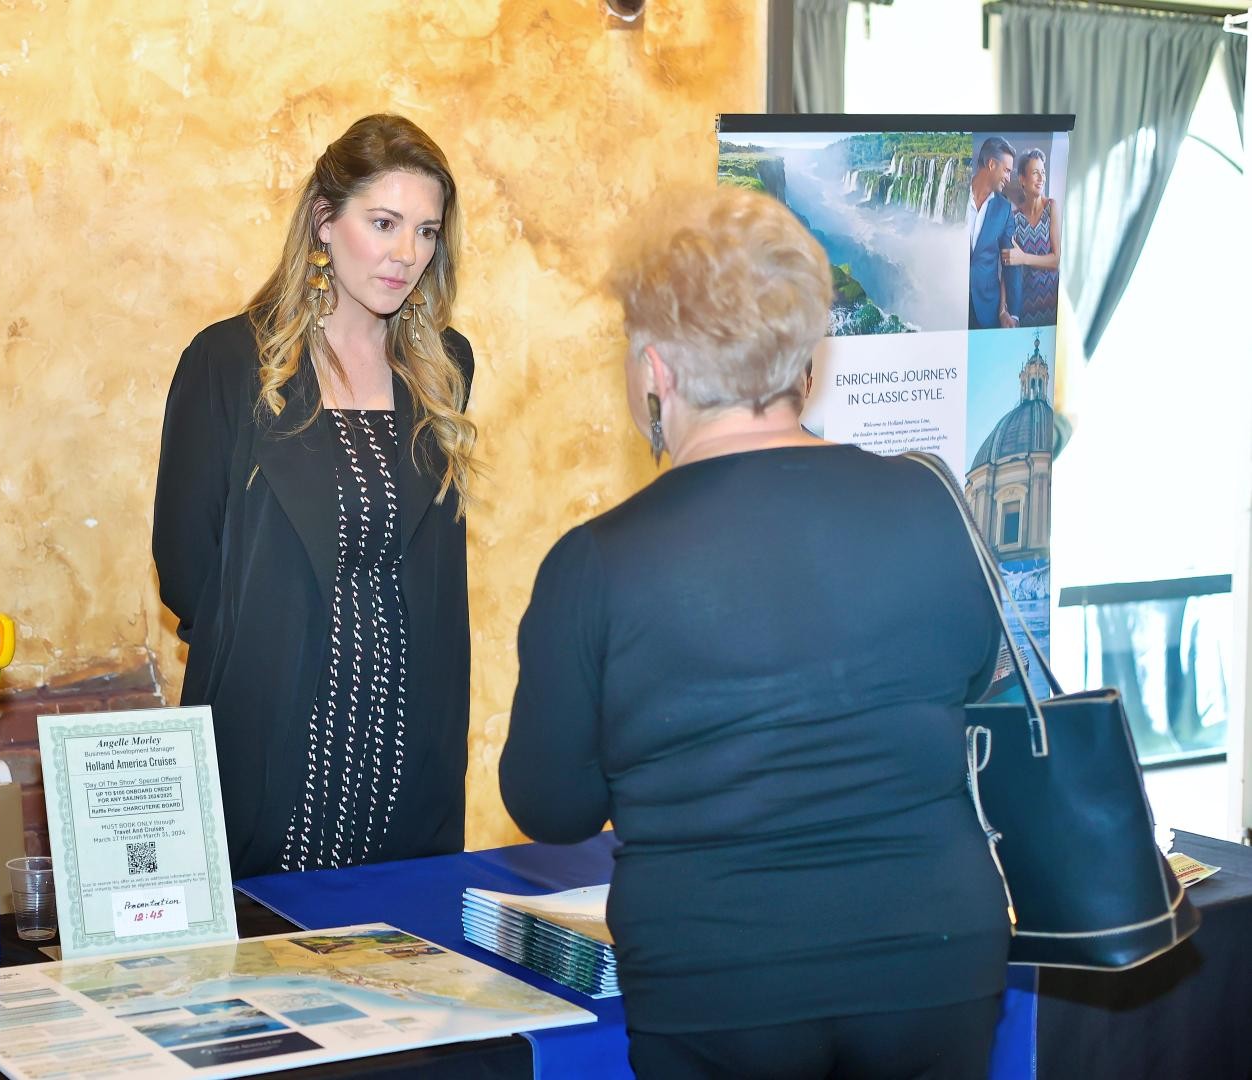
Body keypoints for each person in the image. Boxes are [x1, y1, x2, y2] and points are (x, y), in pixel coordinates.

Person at [499, 186, 1010, 1079]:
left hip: (721, 980)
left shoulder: (597, 562)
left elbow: (552, 806)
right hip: (937, 962)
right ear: (804, 356)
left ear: (657, 369)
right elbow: (975, 681)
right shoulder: (933, 503)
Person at [153, 115, 477, 879]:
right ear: (325, 221)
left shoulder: (445, 366)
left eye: (426, 232)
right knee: (260, 940)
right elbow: (186, 564)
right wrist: (274, 645)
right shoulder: (231, 360)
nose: (407, 254)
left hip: (407, 746)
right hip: (269, 736)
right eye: (384, 223)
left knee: (401, 937)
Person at [1002, 148, 1060, 328]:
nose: (1041, 178)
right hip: (1024, 308)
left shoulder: (1052, 207)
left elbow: (1056, 260)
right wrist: (1003, 310)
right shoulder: (1014, 218)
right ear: (1022, 179)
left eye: (1043, 172)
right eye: (1035, 173)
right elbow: (1008, 266)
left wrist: (1024, 258)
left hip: (1051, 307)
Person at [967, 135, 1021, 330]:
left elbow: (1011, 264)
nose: (1008, 178)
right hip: (949, 306)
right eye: (1006, 170)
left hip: (987, 311)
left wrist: (1012, 313)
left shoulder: (1004, 209)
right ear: (991, 164)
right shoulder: (953, 194)